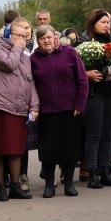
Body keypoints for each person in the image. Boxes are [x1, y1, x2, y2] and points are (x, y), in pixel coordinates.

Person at [0, 17, 38, 201]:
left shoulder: (25, 57)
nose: (22, 38)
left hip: (19, 108)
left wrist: (34, 107)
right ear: (8, 35)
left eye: (25, 35)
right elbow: (8, 64)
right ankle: (0, 187)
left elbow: (30, 84)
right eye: (18, 35)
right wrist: (18, 47)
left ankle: (15, 186)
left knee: (16, 149)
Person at [30, 24, 88, 197]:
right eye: (42, 38)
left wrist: (79, 104)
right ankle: (49, 186)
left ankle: (69, 184)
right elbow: (30, 86)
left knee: (70, 150)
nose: (46, 41)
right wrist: (34, 108)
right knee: (48, 151)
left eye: (49, 37)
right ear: (38, 41)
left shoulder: (70, 53)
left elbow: (83, 80)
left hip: (69, 110)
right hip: (46, 112)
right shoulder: (33, 59)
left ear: (55, 36)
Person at [80, 9, 111, 189]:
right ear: (93, 24)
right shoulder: (83, 42)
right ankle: (92, 173)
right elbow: (73, 70)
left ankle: (105, 171)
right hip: (93, 94)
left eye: (108, 22)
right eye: (103, 22)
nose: (107, 25)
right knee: (94, 135)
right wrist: (87, 74)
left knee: (108, 135)